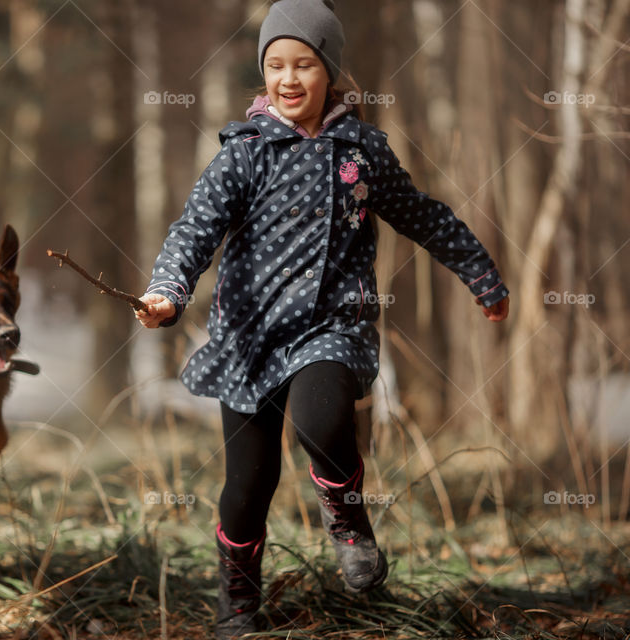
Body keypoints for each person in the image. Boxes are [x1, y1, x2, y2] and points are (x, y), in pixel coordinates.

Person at [134, 0, 510, 637]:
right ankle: (237, 604)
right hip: (248, 338)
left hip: (328, 330)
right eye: (275, 65)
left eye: (303, 64)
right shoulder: (244, 152)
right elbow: (194, 230)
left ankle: (346, 515)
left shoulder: (360, 151)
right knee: (248, 488)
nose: (287, 78)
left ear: (329, 71)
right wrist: (168, 290)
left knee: (323, 418)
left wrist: (479, 272)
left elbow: (419, 214)